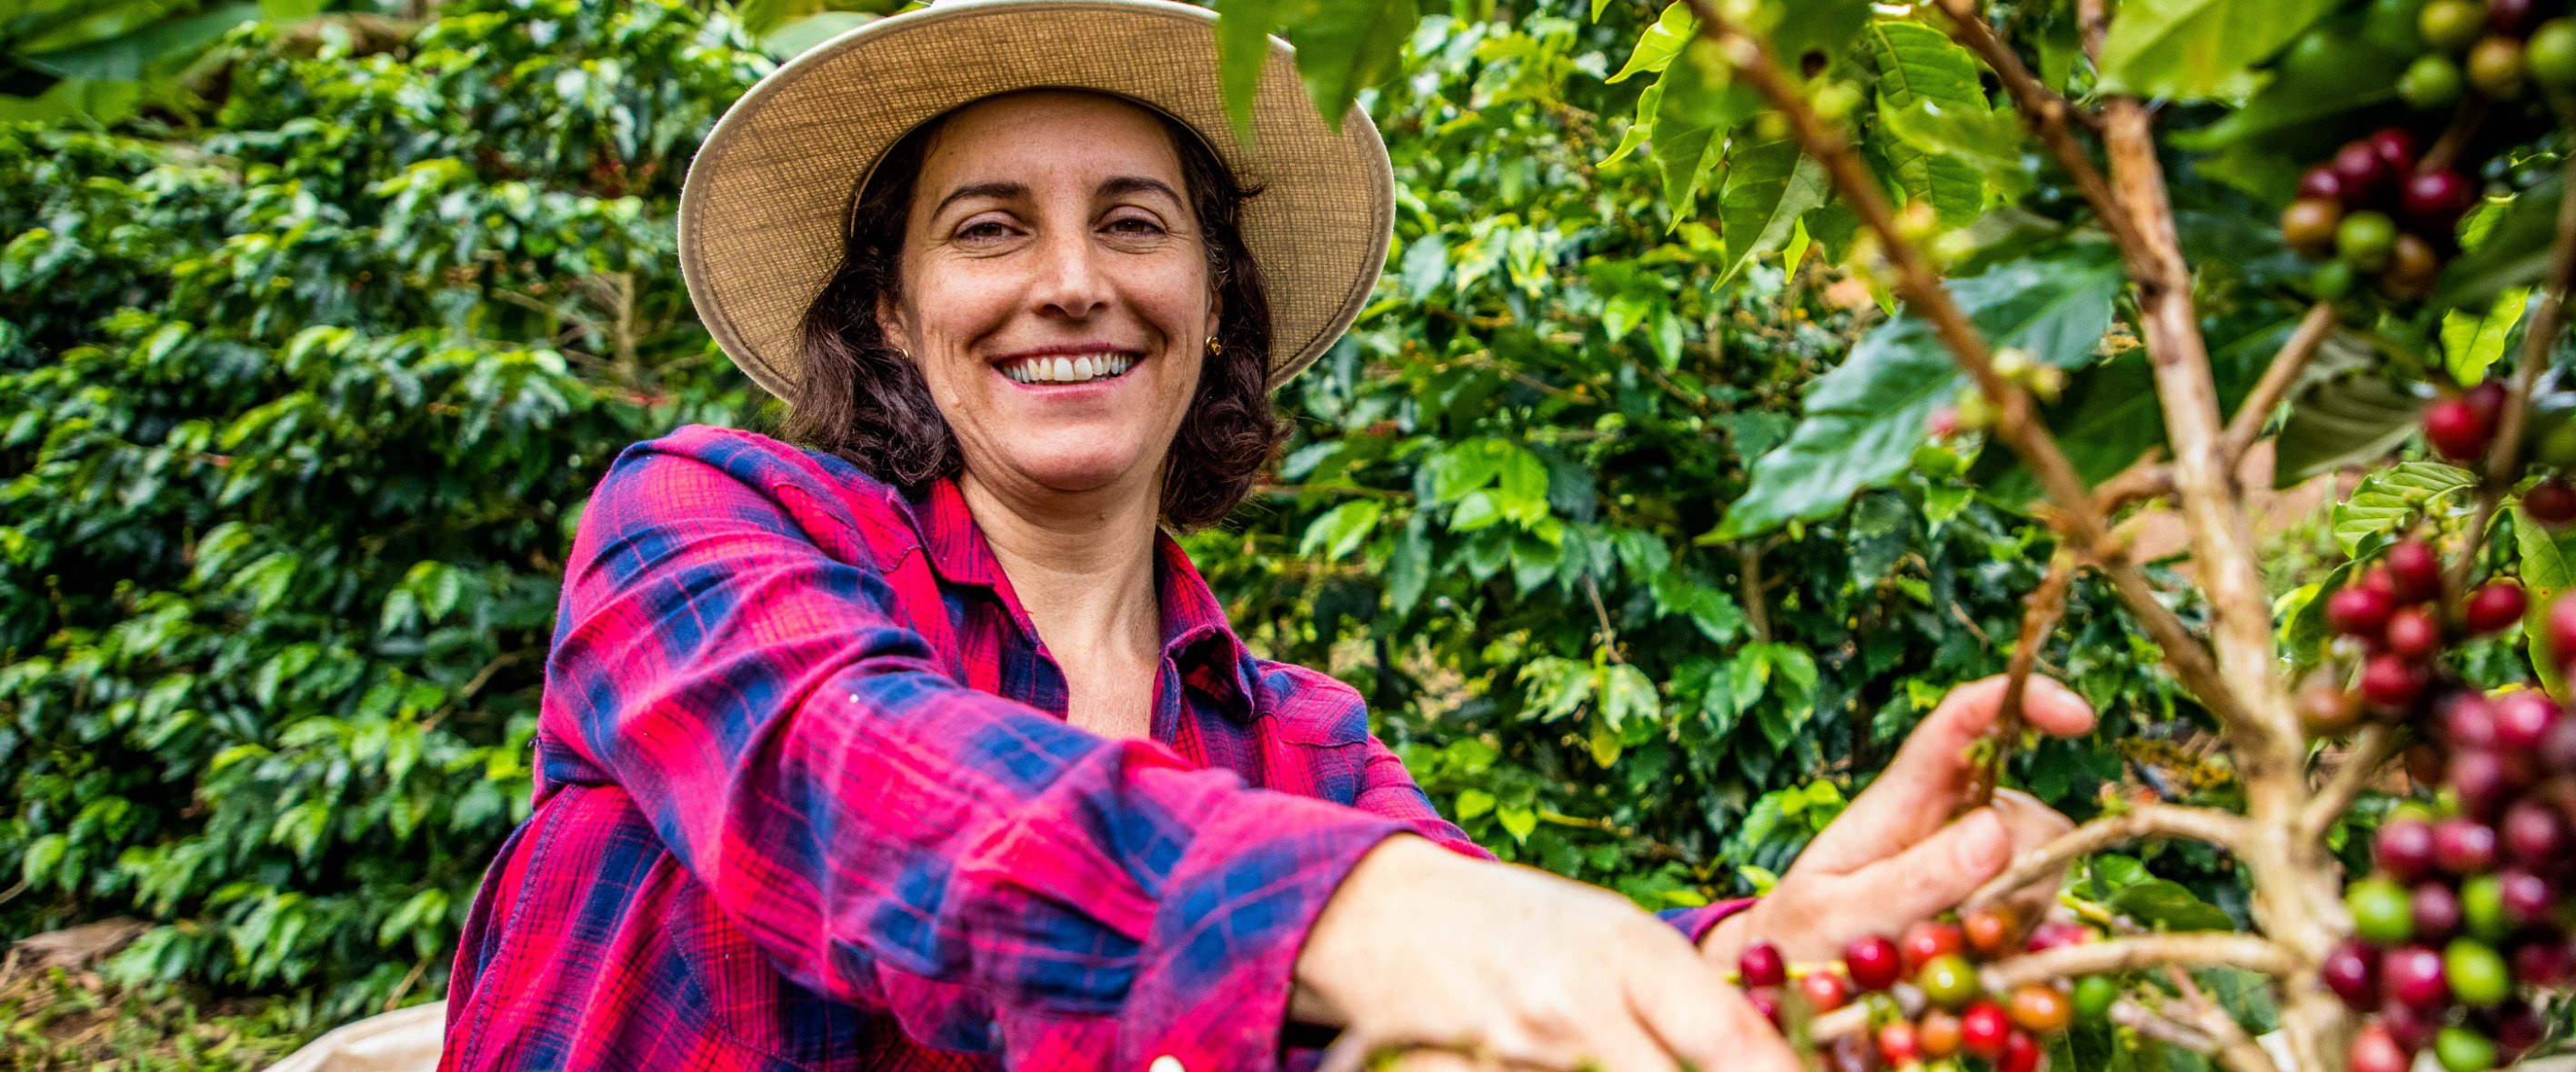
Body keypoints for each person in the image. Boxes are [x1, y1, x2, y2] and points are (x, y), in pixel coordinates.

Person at [437, 2, 2100, 1069]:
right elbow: (852, 779)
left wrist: (1763, 953)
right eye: (990, 229)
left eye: (1136, 224)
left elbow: (1470, 937)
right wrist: (1339, 922)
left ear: (1212, 298)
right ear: (892, 306)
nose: (1072, 283)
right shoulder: (706, 524)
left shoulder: (1290, 742)